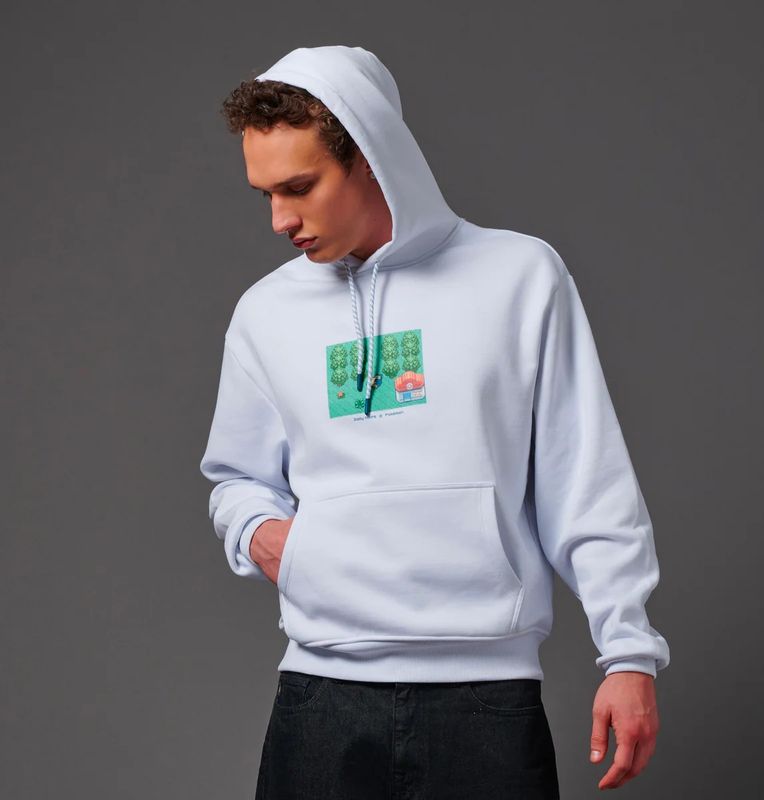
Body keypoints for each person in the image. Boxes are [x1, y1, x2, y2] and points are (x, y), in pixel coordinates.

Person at [199, 44, 670, 799]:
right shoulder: (266, 311)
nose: (281, 219)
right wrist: (263, 534)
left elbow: (584, 475)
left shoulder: (519, 277)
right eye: (266, 195)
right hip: (320, 698)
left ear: (370, 155)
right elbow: (236, 478)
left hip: (486, 703)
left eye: (299, 187)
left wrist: (629, 653)